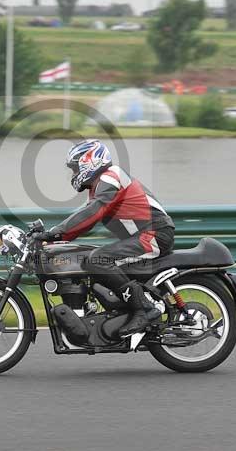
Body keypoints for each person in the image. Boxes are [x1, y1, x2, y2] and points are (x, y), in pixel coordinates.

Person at [33, 139, 175, 336]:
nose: (74, 174)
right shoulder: (100, 186)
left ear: (90, 161)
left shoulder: (111, 176)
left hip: (154, 235)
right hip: (144, 236)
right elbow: (87, 222)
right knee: (90, 259)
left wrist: (55, 232)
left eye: (75, 168)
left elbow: (93, 211)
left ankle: (144, 309)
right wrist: (55, 239)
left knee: (97, 260)